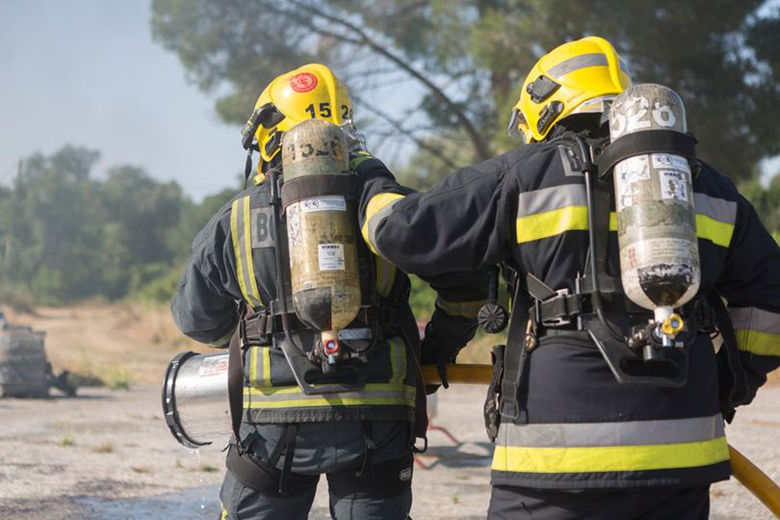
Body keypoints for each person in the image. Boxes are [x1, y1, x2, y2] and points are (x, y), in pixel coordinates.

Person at [354, 36, 780, 519]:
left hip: (555, 458)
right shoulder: (707, 186)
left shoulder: (525, 174)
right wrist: (729, 381)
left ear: (545, 103)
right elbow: (771, 299)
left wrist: (370, 181)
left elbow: (402, 232)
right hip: (683, 452)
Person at [170, 63, 486, 520]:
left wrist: (259, 334)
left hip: (273, 423)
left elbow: (193, 318)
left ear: (267, 135)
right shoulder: (387, 203)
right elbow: (467, 283)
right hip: (378, 416)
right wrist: (433, 354)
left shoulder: (235, 219)